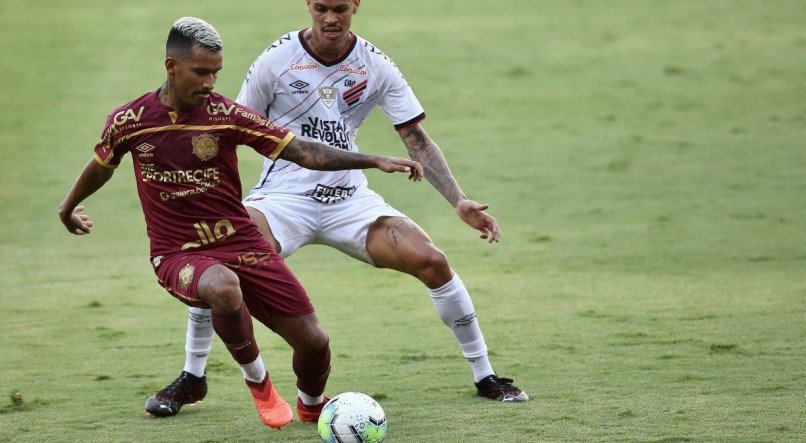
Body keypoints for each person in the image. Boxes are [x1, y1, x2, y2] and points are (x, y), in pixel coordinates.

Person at [145, 0, 529, 417]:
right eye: (322, 7)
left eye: (340, 8)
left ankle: (486, 375)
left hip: (349, 199)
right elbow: (230, 126)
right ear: (309, 5)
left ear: (356, 6)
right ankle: (192, 376)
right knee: (217, 261)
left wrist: (459, 200)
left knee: (432, 260)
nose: (331, 18)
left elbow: (416, 138)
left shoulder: (374, 64)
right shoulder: (276, 61)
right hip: (282, 198)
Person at [58, 16, 423, 428]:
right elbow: (102, 165)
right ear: (171, 66)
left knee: (315, 342)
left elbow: (302, 151)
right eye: (201, 72)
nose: (211, 82)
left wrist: (372, 159)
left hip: (240, 241)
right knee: (223, 287)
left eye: (216, 71)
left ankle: (311, 406)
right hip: (177, 253)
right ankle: (260, 385)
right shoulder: (130, 120)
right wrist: (68, 207)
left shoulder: (227, 115)